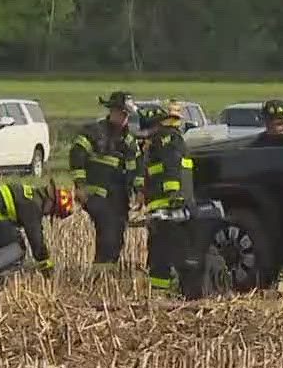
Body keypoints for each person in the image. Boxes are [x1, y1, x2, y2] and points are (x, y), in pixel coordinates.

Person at [69, 91, 138, 264]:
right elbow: (77, 155)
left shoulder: (129, 140)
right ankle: (100, 275)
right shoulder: (94, 132)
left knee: (116, 240)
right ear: (112, 111)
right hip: (97, 196)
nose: (125, 118)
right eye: (122, 113)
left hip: (119, 199)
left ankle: (105, 275)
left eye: (127, 114)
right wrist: (80, 186)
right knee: (108, 237)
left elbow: (135, 168)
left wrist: (139, 191)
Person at [134, 103, 194, 294]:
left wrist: (173, 196)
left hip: (168, 205)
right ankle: (161, 290)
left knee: (162, 250)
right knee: (161, 249)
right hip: (164, 204)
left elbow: (171, 166)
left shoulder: (166, 139)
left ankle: (163, 291)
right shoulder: (163, 139)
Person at [0, 180, 73, 276]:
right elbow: (36, 239)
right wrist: (46, 263)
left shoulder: (33, 196)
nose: (48, 215)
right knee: (15, 249)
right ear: (50, 202)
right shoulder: (33, 205)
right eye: (52, 212)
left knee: (3, 250)